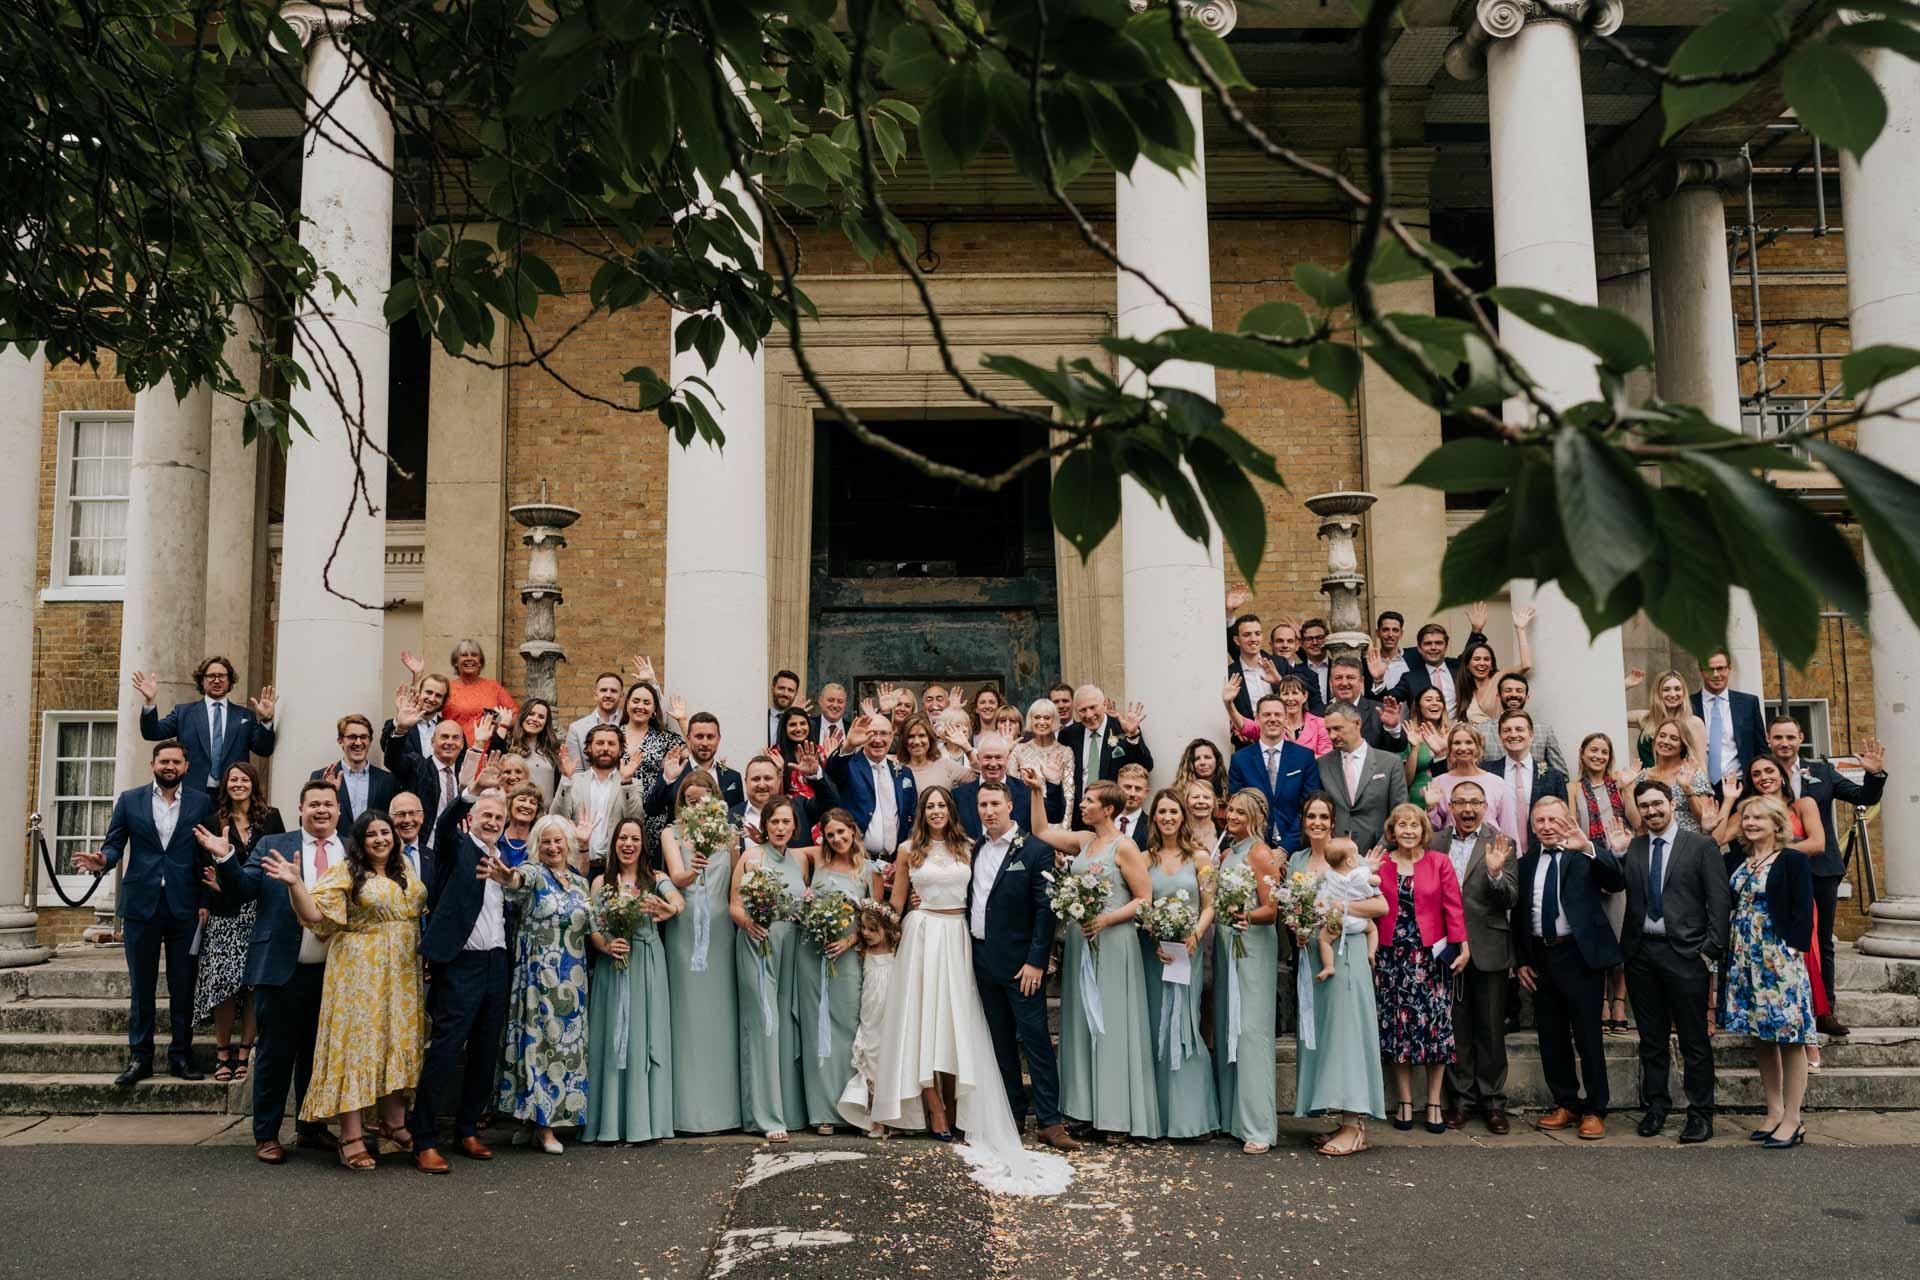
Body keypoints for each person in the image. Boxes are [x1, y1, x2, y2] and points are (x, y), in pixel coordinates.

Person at [847, 783, 1072, 1195]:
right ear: (921, 812)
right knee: (927, 1023)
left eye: (941, 805)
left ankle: (1009, 1114)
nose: (935, 811)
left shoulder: (970, 846)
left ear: (951, 810)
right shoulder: (906, 850)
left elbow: (1008, 900)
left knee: (966, 1026)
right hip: (923, 937)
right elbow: (895, 907)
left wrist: (1038, 957)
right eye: (928, 806)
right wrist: (868, 933)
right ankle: (934, 1108)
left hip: (961, 939)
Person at [267, 809, 427, 1171]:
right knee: (359, 1045)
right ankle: (350, 1134)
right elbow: (317, 915)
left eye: (385, 832)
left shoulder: (405, 870)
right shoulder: (346, 871)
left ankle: (393, 1122)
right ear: (360, 841)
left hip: (401, 971)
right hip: (360, 971)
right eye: (371, 834)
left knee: (395, 1040)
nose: (381, 839)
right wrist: (295, 884)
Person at [200, 779, 345, 1163]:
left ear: (338, 810)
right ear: (300, 809)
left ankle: (311, 1128)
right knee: (276, 1056)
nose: (321, 811)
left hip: (334, 974)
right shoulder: (273, 845)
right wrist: (226, 857)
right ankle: (266, 1133)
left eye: (328, 804)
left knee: (317, 1056)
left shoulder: (350, 850)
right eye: (313, 804)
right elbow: (244, 890)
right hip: (281, 969)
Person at [74, 740, 216, 1085]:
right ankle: (141, 1058)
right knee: (142, 986)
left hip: (184, 906)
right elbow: (114, 843)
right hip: (141, 905)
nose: (170, 766)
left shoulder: (201, 802)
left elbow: (206, 856)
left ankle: (181, 1057)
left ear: (186, 766)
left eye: (176, 762)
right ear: (153, 764)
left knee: (184, 986)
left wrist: (205, 902)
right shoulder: (130, 799)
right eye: (164, 761)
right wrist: (103, 861)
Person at [1030, 777, 1159, 1143]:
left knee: (1113, 1024)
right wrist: (1038, 791)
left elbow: (1144, 898)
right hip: (1081, 941)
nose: (1083, 806)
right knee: (1083, 1023)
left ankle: (1116, 1116)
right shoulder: (1084, 841)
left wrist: (1106, 918)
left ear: (1109, 809)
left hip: (1113, 940)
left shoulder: (1125, 846)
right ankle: (1086, 1110)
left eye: (1089, 801)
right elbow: (1040, 830)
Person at [962, 779, 1078, 1152]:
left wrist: (1036, 962)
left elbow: (1045, 911)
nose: (988, 811)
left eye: (995, 803)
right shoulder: (975, 849)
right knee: (999, 1042)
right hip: (983, 960)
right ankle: (1011, 1110)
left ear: (1011, 806)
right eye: (983, 805)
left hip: (1022, 966)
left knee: (1036, 1040)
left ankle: (1050, 1121)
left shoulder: (1035, 850)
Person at [1619, 779, 1731, 1144]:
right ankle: (1656, 1107)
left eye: (1657, 804)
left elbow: (1719, 901)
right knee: (1651, 1039)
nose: (1651, 811)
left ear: (1670, 802)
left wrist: (1709, 951)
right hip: (1641, 955)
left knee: (1693, 1039)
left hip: (1686, 955)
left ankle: (1700, 1114)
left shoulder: (1699, 846)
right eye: (1645, 806)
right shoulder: (1633, 848)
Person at [409, 790, 515, 1173]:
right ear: (472, 818)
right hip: (460, 964)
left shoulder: (503, 859)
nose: (492, 822)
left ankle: (467, 1128)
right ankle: (424, 1138)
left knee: (486, 1050)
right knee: (446, 1049)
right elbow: (444, 820)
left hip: (496, 962)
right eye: (485, 815)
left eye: (498, 818)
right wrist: (470, 793)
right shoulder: (456, 846)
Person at [1767, 716, 1888, 1036]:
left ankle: (1825, 1010)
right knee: (1781, 938)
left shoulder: (1820, 771)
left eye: (1790, 737)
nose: (1784, 743)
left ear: (1801, 738)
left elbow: (1864, 797)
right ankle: (1785, 1006)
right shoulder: (1761, 772)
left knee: (1822, 941)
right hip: (1777, 868)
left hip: (1820, 867)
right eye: (1778, 737)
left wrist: (1874, 774)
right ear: (1769, 739)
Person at [1513, 796, 1625, 1139]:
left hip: (1579, 956)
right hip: (1542, 959)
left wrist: (1590, 847)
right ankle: (1565, 1102)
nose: (1547, 826)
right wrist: (1523, 961)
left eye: (1554, 820)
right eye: (1540, 821)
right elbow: (1520, 915)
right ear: (1532, 825)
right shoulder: (1526, 862)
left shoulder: (1583, 854)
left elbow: (1617, 881)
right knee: (1551, 1036)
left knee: (1588, 1037)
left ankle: (1595, 1108)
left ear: (1567, 821)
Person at [483, 814, 593, 1152]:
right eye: (546, 841)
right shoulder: (534, 872)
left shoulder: (580, 884)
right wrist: (508, 876)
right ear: (537, 846)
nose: (553, 846)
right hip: (538, 978)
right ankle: (543, 1126)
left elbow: (591, 928)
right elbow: (517, 880)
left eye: (558, 841)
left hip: (572, 980)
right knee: (540, 1045)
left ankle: (536, 1121)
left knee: (564, 1049)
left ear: (569, 845)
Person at [1291, 792, 1389, 1157]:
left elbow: (1380, 905)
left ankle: (1355, 1125)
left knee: (1349, 1035)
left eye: (1323, 816)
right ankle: (1342, 1116)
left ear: (1332, 822)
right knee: (1328, 1037)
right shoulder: (1298, 860)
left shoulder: (1352, 857)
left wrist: (1340, 905)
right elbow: (1295, 906)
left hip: (1347, 955)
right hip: (1316, 956)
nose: (1316, 822)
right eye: (1310, 816)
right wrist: (1299, 926)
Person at [1715, 753, 1834, 1039]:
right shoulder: (1747, 810)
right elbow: (1717, 839)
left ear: (1782, 775)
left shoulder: (1803, 804)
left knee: (1808, 960)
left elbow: (1818, 843)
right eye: (1756, 774)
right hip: (1756, 903)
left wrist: (1774, 855)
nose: (1763, 777)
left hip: (1792, 889)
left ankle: (1813, 1030)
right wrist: (1730, 800)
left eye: (1769, 771)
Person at [1722, 794, 1818, 1149]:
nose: (1750, 823)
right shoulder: (1740, 860)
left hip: (1777, 958)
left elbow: (1802, 910)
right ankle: (1774, 1110)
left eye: (1759, 818)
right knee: (1761, 1036)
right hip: (1745, 957)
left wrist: (1790, 951)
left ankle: (1794, 1118)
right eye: (1746, 817)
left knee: (1790, 1038)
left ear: (1777, 824)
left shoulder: (1792, 860)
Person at [583, 816, 683, 1145]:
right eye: (622, 838)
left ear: (643, 846)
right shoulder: (600, 883)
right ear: (614, 843)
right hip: (612, 965)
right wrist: (606, 945)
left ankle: (645, 1122)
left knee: (644, 1036)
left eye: (635, 839)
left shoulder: (656, 878)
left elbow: (677, 900)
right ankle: (609, 1122)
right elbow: (594, 928)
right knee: (610, 1036)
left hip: (646, 964)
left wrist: (672, 909)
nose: (628, 844)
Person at [1374, 804, 1467, 1135]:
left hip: (1430, 957)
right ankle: (1404, 1101)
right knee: (1397, 1029)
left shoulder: (1438, 862)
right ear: (1392, 829)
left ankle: (1433, 1102)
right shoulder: (1381, 862)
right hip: (1391, 957)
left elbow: (1453, 907)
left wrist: (1463, 946)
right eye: (1402, 824)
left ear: (1424, 830)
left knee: (1435, 1030)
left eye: (1414, 824)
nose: (1408, 830)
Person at [1432, 782, 1518, 1134]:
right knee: (1456, 1029)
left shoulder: (1501, 843)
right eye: (1461, 802)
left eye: (1475, 803)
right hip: (1449, 950)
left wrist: (1496, 873)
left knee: (1491, 1030)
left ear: (1486, 806)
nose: (1468, 809)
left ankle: (1494, 1104)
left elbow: (1511, 898)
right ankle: (1461, 1101)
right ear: (1450, 806)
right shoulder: (1435, 842)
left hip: (1488, 949)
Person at [659, 771, 742, 1133]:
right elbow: (676, 877)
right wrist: (695, 867)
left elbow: (734, 888)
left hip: (722, 929)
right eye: (689, 800)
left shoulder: (730, 834)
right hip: (685, 927)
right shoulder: (671, 833)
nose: (696, 805)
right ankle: (687, 1112)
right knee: (688, 1016)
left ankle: (726, 1110)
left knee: (722, 1014)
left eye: (702, 799)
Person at [191, 762, 283, 1084]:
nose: (238, 784)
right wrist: (209, 898)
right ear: (225, 785)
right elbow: (204, 869)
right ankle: (222, 1052)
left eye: (244, 779)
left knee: (254, 985)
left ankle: (245, 1050)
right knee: (224, 986)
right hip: (225, 912)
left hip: (260, 912)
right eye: (233, 779)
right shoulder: (212, 821)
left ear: (253, 784)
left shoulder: (271, 818)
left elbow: (276, 862)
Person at [1137, 788, 1219, 1139]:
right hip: (1155, 953)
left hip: (1188, 949)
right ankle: (1158, 1116)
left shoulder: (1200, 858)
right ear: (1154, 817)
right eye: (1162, 812)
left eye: (1174, 811)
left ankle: (1191, 1117)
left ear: (1182, 817)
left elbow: (1210, 905)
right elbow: (1142, 904)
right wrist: (1156, 936)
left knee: (1184, 1025)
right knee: (1156, 1022)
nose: (1168, 817)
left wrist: (1194, 936)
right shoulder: (1144, 859)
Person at [730, 795, 811, 1140]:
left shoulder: (801, 859)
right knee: (764, 1023)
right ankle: (764, 1116)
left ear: (795, 826)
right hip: (758, 942)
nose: (780, 827)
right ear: (764, 825)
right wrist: (748, 924)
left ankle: (790, 1110)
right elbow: (732, 906)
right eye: (774, 822)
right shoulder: (751, 857)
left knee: (788, 1023)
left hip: (792, 944)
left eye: (786, 821)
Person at [1210, 790, 1282, 1151]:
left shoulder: (1260, 853)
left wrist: (1245, 916)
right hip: (1227, 945)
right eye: (1230, 811)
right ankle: (1233, 1119)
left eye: (1240, 812)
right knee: (1230, 1028)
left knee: (1251, 1031)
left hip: (1252, 945)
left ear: (1254, 815)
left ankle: (1259, 1128)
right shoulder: (1227, 853)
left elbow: (1272, 909)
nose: (1231, 816)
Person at [797, 807, 866, 1134]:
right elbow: (779, 849)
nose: (837, 839)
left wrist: (849, 941)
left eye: (842, 831)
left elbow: (874, 919)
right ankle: (822, 1111)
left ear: (853, 830)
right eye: (830, 834)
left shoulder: (869, 870)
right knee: (816, 1029)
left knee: (849, 1026)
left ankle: (854, 1107)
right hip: (813, 954)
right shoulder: (818, 862)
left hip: (848, 956)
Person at [133, 658, 277, 796]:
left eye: (221, 676)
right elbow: (152, 732)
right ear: (202, 680)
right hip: (193, 794)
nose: (216, 680)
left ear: (229, 680)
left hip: (232, 795)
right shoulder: (184, 712)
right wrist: (150, 701)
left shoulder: (245, 715)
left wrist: (266, 720)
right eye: (211, 676)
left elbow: (263, 749)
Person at [1570, 732, 1634, 1033]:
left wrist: (1630, 787)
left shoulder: (1619, 784)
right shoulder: (1573, 788)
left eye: (1604, 751)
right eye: (1593, 750)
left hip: (1620, 865)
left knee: (1619, 934)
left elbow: (1636, 821)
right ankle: (1602, 1000)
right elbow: (1572, 828)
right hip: (1588, 866)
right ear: (1582, 753)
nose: (1598, 756)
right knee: (1597, 936)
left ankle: (1619, 1000)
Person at [1316, 700, 1410, 854]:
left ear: (1357, 723)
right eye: (1328, 730)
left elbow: (1399, 812)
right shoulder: (1322, 764)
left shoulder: (1390, 763)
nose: (1332, 735)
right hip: (1334, 855)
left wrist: (1379, 851)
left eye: (1338, 728)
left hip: (1378, 856)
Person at [1227, 693, 1317, 851]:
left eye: (1278, 714)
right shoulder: (1240, 760)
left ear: (1286, 719)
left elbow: (1310, 806)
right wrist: (1259, 848)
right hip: (1253, 848)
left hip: (1297, 848)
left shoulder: (1304, 757)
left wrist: (1285, 848)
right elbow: (1237, 807)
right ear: (1257, 718)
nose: (1273, 719)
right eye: (1267, 714)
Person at [1058, 685, 1152, 830]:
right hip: (1079, 816)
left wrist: (1133, 736)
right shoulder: (1069, 735)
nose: (1089, 715)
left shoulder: (1121, 728)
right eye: (1082, 710)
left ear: (1104, 705)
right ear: (1076, 712)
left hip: (1112, 816)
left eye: (1093, 707)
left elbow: (1146, 765)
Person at [825, 714, 918, 861]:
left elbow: (913, 816)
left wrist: (903, 858)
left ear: (892, 735)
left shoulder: (904, 773)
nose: (877, 740)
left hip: (895, 862)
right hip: (857, 859)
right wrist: (848, 746)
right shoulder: (850, 766)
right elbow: (831, 773)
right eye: (872, 734)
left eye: (883, 734)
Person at [553, 724, 642, 876]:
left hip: (615, 868)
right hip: (576, 866)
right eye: (600, 743)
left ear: (620, 749)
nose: (605, 748)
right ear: (588, 748)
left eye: (611, 744)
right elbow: (557, 819)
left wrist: (626, 782)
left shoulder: (632, 783)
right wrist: (566, 780)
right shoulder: (574, 781)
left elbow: (635, 820)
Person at [846, 899, 901, 1139]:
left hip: (890, 1011)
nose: (866, 934)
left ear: (887, 929)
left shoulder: (896, 953)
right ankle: (873, 1115)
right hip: (869, 1012)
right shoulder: (864, 952)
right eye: (864, 929)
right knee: (870, 1057)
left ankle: (888, 1118)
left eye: (872, 929)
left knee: (887, 1058)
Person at [1482, 710, 1571, 852]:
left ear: (1531, 735)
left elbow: (1564, 821)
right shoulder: (1486, 773)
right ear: (1500, 736)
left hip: (1540, 854)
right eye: (1507, 730)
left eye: (1519, 729)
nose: (1513, 735)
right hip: (1499, 853)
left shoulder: (1553, 776)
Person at [617, 677, 684, 853]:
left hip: (653, 813)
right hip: (619, 807)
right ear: (627, 704)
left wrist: (682, 720)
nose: (641, 706)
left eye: (647, 702)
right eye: (636, 701)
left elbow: (694, 752)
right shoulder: (613, 734)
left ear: (654, 709)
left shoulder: (663, 738)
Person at [411, 639, 516, 745]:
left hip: (489, 750)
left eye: (474, 655)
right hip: (454, 750)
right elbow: (422, 705)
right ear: (456, 662)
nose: (469, 659)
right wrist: (417, 676)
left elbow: (516, 715)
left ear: (480, 662)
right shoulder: (448, 687)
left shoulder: (494, 687)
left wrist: (499, 723)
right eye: (464, 655)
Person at [1692, 651, 1766, 796]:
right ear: (1701, 671)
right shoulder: (1687, 705)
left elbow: (1761, 748)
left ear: (1729, 669)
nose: (1715, 674)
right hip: (1699, 788)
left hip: (1741, 786)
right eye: (1709, 669)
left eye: (1720, 668)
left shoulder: (1748, 703)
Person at [649, 711, 749, 819]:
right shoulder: (672, 773)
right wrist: (667, 780)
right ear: (688, 738)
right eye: (699, 737)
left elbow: (738, 818)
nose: (705, 743)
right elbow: (652, 810)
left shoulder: (733, 777)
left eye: (710, 737)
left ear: (718, 739)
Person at [1628, 718, 1714, 835]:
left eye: (1674, 738)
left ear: (1683, 744)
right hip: (1653, 844)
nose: (1666, 741)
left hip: (1686, 843)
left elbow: (1705, 820)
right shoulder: (1642, 776)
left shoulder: (1691, 772)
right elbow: (1637, 824)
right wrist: (1626, 788)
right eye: (1662, 736)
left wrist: (1687, 788)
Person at [310, 714, 401, 825]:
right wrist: (327, 793)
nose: (358, 742)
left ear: (370, 741)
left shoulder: (387, 780)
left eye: (363, 737)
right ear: (340, 741)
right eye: (352, 737)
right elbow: (311, 820)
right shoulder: (319, 777)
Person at [1452, 605, 1535, 726]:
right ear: (1467, 665)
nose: (1482, 663)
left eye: (1486, 659)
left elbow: (1526, 665)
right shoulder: (1465, 689)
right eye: (1477, 659)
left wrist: (1520, 629)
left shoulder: (1500, 678)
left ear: (1491, 664)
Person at [1424, 725, 1514, 836]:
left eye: (1469, 742)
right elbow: (1434, 829)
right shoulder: (1438, 782)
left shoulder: (1497, 782)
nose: (1463, 748)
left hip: (1489, 848)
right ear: (1450, 748)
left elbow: (1508, 827)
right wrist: (1431, 807)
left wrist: (1512, 852)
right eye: (1457, 743)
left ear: (1478, 747)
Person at [1473, 672, 1569, 774]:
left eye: (1519, 691)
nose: (1514, 694)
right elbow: (1474, 770)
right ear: (1498, 696)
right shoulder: (1481, 730)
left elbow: (1561, 775)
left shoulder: (1544, 730)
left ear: (1527, 697)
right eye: (1508, 690)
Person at [1225, 673, 1330, 757]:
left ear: (1305, 696)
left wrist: (1294, 747)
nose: (1290, 698)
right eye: (1285, 694)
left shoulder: (1319, 724)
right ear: (1279, 697)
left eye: (1294, 693)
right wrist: (1229, 704)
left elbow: (1325, 759)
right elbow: (1244, 726)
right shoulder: (1273, 722)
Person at [1627, 669, 1709, 769]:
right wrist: (1626, 684)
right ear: (1657, 693)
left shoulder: (1693, 723)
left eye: (1677, 689)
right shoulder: (1645, 718)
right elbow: (1608, 715)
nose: (1673, 694)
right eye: (1666, 689)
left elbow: (1700, 765)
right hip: (1646, 782)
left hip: (1677, 783)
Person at [1326, 656, 1407, 754]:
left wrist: (1392, 728)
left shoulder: (1379, 712)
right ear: (1331, 682)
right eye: (1338, 678)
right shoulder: (1318, 714)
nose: (1344, 683)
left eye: (1350, 677)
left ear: (1361, 681)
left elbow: (1398, 748)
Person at [1008, 698, 1075, 800]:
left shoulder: (1065, 752)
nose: (1042, 722)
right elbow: (1012, 789)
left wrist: (1065, 817)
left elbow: (1069, 794)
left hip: (1055, 811)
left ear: (1054, 720)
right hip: (1026, 811)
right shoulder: (1019, 750)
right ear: (1031, 719)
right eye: (1037, 717)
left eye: (1047, 718)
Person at [505, 696, 563, 802]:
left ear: (546, 722)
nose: (535, 719)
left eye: (541, 717)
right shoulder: (508, 744)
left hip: (546, 814)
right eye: (531, 714)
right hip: (517, 811)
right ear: (523, 716)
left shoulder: (552, 749)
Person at [898, 712, 973, 792]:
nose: (916, 742)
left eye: (921, 736)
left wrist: (967, 749)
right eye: (911, 736)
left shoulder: (945, 765)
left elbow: (979, 778)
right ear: (904, 740)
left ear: (930, 738)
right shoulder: (898, 770)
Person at [1400, 686, 1449, 800]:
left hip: (1448, 800)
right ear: (1418, 706)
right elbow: (1404, 782)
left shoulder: (1451, 736)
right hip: (1418, 802)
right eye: (1428, 699)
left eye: (1439, 700)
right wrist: (1415, 748)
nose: (1435, 703)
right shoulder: (1408, 734)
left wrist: (1445, 751)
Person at [566, 672, 627, 764]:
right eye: (603, 690)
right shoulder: (576, 729)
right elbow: (576, 771)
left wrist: (651, 682)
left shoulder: (631, 723)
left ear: (621, 695)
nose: (608, 695)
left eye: (613, 691)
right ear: (595, 694)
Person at [1173, 737, 1229, 805]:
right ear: (1190, 764)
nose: (1202, 762)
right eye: (1197, 759)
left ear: (1217, 761)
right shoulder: (1179, 794)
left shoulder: (1229, 790)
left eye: (1207, 757)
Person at [389, 792, 428, 882]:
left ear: (422, 817)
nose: (407, 820)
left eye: (412, 813)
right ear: (390, 819)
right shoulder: (381, 857)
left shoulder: (433, 857)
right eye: (400, 814)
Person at [1298, 617, 1333, 706]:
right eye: (1309, 639)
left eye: (1319, 637)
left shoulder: (1337, 667)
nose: (1314, 642)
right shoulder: (1296, 671)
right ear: (1301, 643)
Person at [1112, 763, 1150, 843]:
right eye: (1127, 787)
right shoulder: (1101, 820)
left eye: (1138, 789)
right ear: (1117, 789)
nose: (1132, 794)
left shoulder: (1152, 826)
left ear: (1146, 793)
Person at [768, 668, 803, 745]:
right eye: (781, 688)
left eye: (790, 690)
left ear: (796, 694)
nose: (785, 694)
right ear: (772, 688)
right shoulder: (759, 719)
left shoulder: (803, 724)